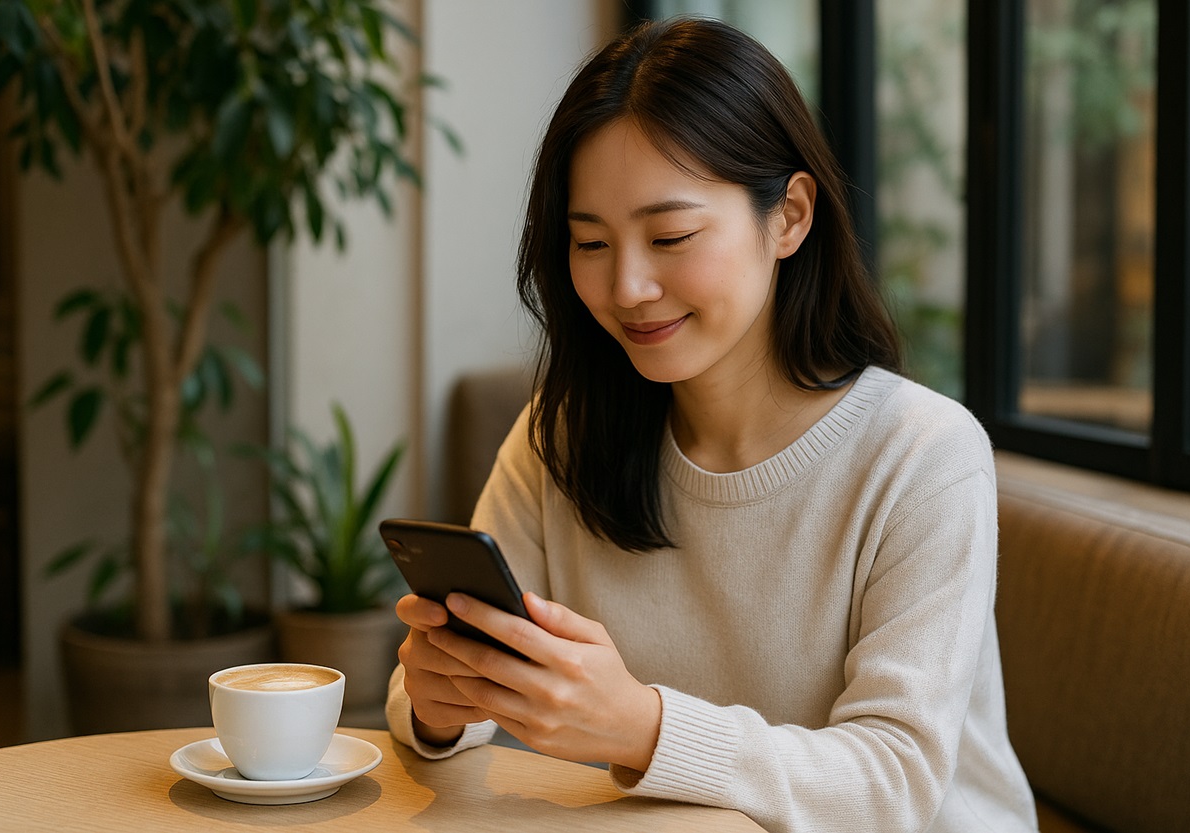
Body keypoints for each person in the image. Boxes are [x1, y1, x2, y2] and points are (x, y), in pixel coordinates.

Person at [387, 16, 1038, 833]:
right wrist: (441, 703)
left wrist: (643, 726)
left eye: (672, 236)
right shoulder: (561, 438)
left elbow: (892, 782)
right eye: (590, 242)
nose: (626, 286)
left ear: (790, 216)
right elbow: (449, 713)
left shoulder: (921, 457)